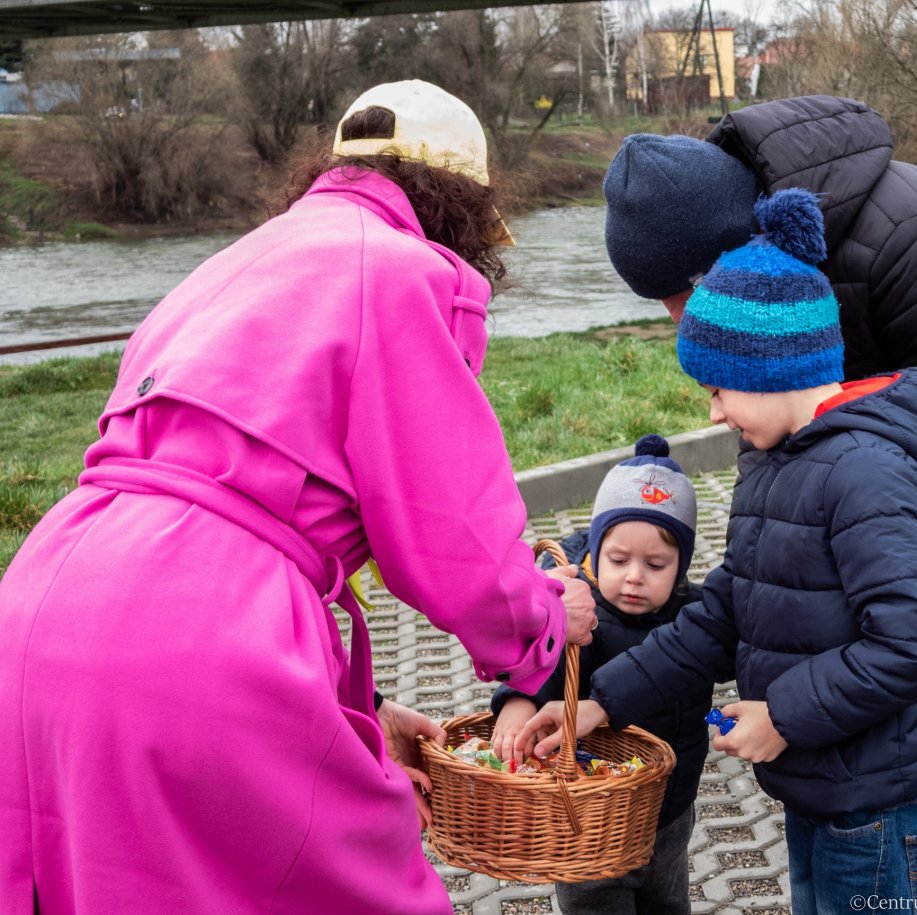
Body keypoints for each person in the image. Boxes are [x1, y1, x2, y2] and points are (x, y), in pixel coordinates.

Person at [0, 79, 596, 915]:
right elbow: (450, 534)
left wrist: (364, 706)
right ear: (460, 206)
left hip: (39, 609)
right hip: (196, 636)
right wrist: (542, 625)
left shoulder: (233, 260)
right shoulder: (404, 271)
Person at [601, 96, 917, 908]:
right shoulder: (773, 340)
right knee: (901, 735)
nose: (676, 319)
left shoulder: (907, 245)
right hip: (883, 484)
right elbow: (764, 562)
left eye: (680, 292)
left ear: (734, 252)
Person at [519, 189, 917, 911]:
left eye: (720, 388)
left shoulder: (864, 472)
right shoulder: (781, 462)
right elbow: (727, 608)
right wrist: (602, 701)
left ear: (771, 369)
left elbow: (913, 642)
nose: (715, 409)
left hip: (877, 804)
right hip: (826, 784)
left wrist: (782, 714)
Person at [490, 433, 708, 915]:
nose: (634, 576)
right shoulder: (580, 615)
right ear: (594, 550)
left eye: (656, 564)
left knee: (668, 899)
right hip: (591, 815)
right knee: (595, 903)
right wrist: (519, 700)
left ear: (681, 566)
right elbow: (544, 662)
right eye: (618, 559)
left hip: (670, 808)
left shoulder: (694, 619)